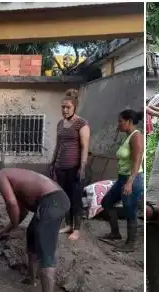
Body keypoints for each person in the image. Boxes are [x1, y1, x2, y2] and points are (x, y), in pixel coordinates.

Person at [0, 160, 70, 292]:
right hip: (53, 200)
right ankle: (32, 278)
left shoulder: (0, 176)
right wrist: (7, 229)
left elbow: (11, 203)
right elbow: (22, 211)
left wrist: (14, 225)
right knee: (31, 234)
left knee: (46, 253)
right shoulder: (14, 177)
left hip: (52, 202)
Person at [99, 109, 145, 252]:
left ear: (129, 121)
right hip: (122, 178)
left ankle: (130, 244)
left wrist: (130, 182)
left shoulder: (136, 137)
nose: (118, 124)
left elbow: (137, 161)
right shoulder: (127, 136)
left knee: (130, 211)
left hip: (132, 179)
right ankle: (115, 233)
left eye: (120, 121)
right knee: (106, 202)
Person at [51, 88, 90, 241]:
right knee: (64, 198)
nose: (65, 110)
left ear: (75, 107)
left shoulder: (82, 123)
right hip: (60, 167)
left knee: (76, 199)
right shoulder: (60, 124)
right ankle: (68, 225)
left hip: (74, 168)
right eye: (63, 107)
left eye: (68, 107)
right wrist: (52, 163)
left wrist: (82, 167)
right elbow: (58, 145)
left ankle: (77, 229)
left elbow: (85, 147)